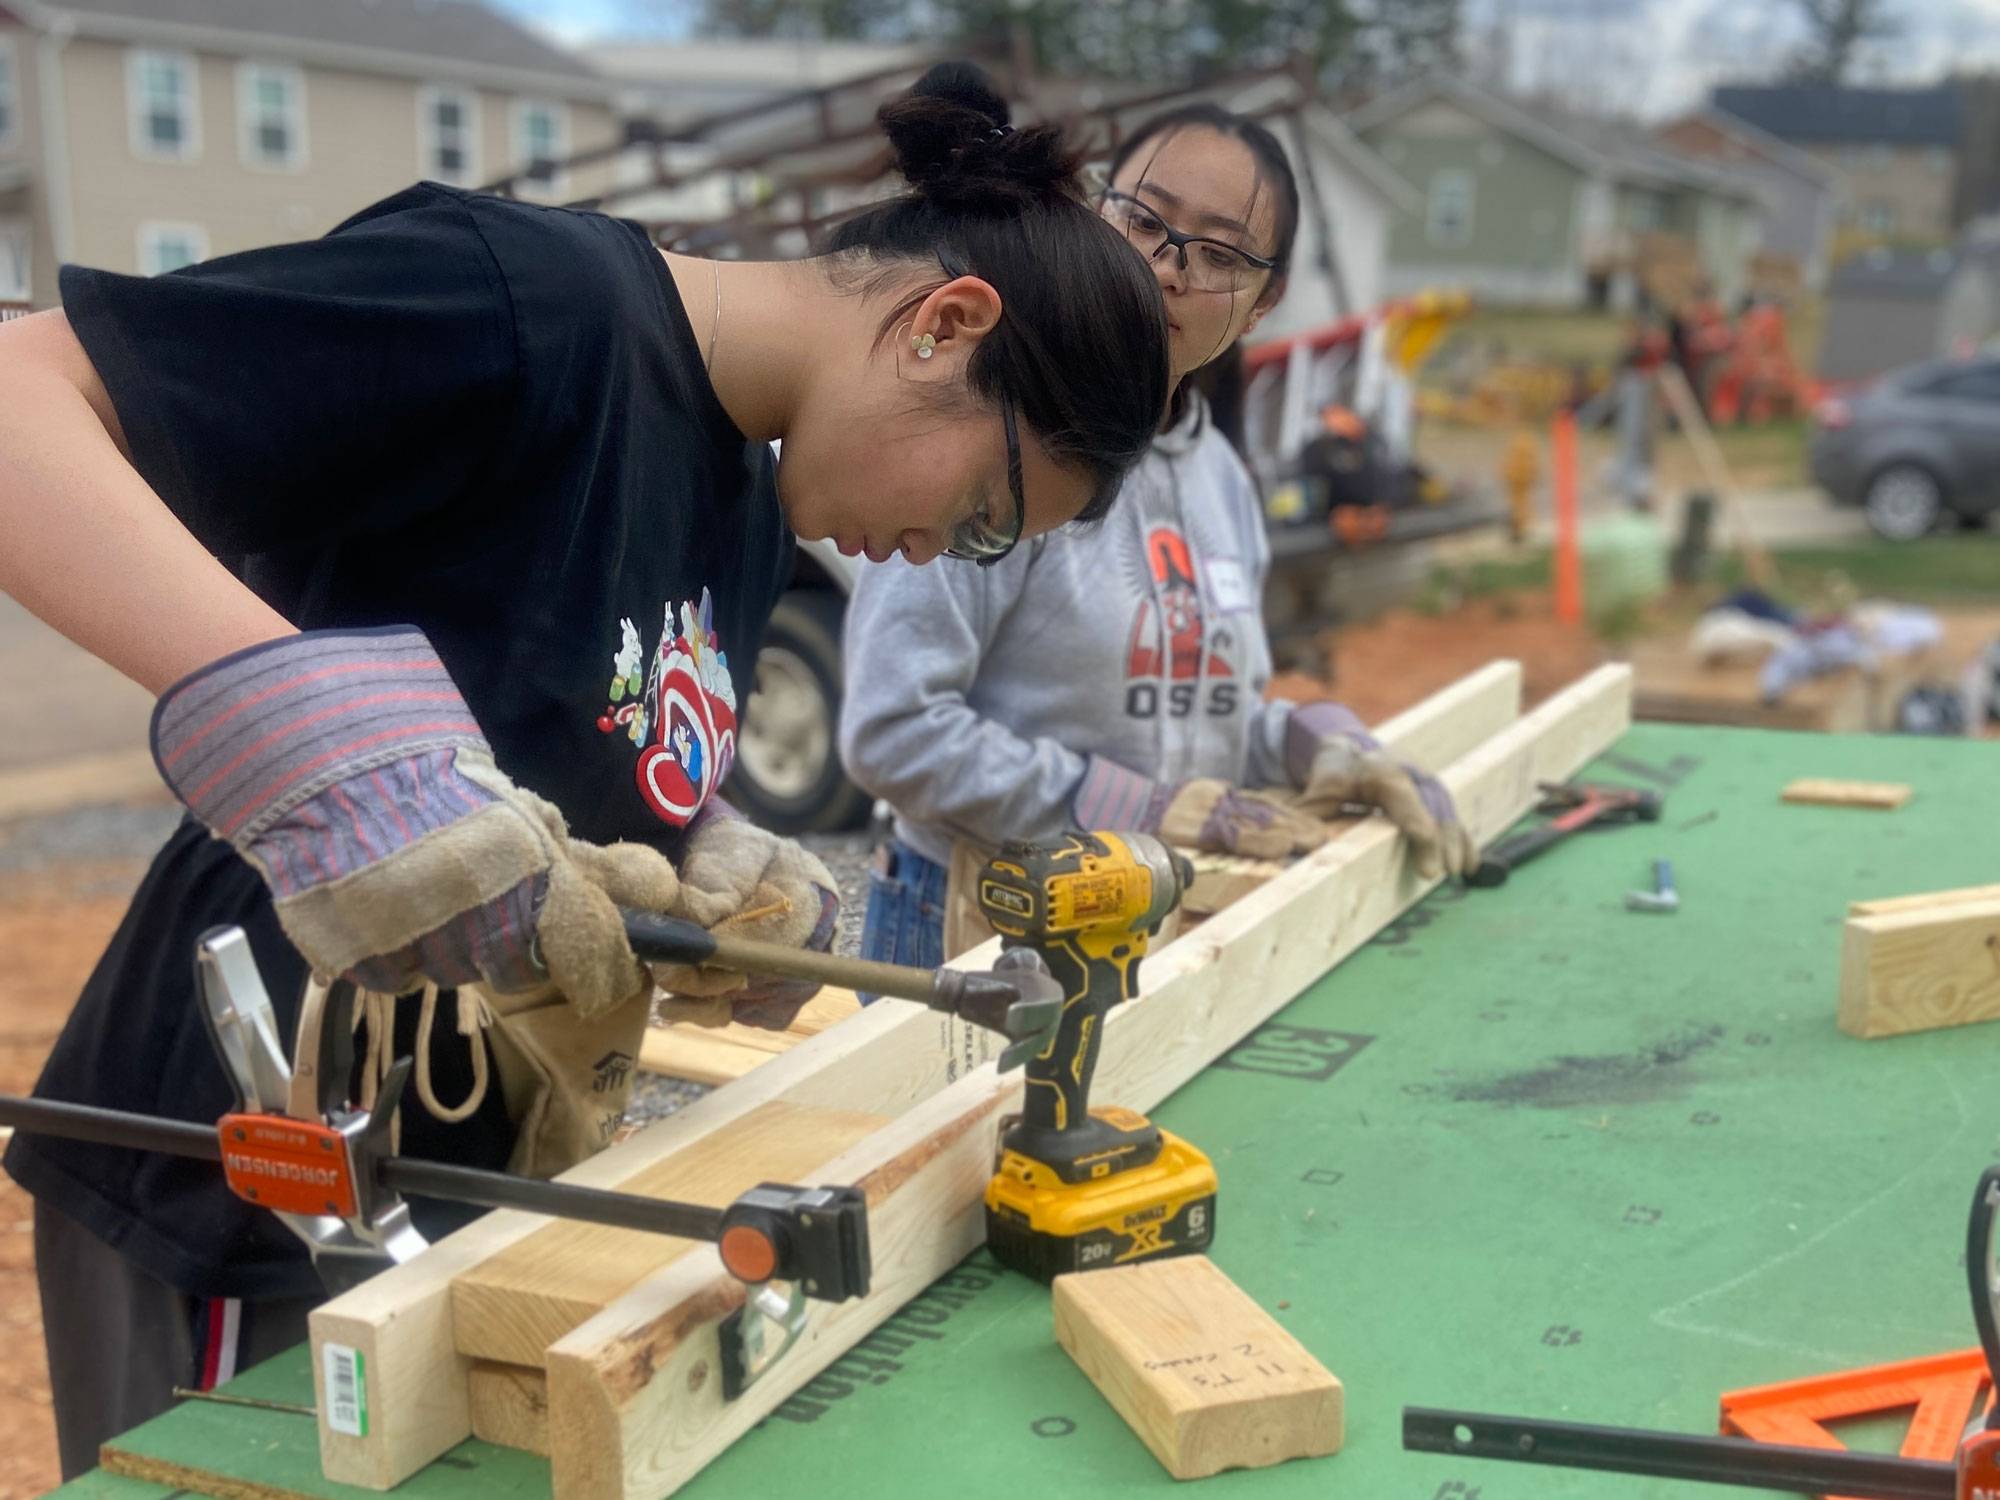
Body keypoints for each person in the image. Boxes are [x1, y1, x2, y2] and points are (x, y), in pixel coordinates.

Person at [0, 62, 1168, 1475]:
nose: (941, 555)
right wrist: (317, 739)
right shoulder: (528, 302)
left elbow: (565, 732)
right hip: (244, 1161)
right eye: (986, 515)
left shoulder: (749, 489)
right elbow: (21, 397)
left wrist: (707, 852)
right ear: (945, 324)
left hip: (462, 1179)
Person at [839, 102, 1475, 977]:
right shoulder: (997, 437)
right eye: (1144, 220)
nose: (1166, 270)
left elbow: (1198, 722)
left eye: (1219, 254)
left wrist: (1321, 744)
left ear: (1264, 303)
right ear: (1093, 213)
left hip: (1146, 924)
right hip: (977, 919)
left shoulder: (1218, 477)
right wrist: (1148, 807)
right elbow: (894, 730)